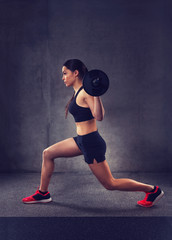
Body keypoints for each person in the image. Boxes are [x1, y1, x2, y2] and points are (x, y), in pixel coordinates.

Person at [22, 59, 164, 207]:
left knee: (110, 184)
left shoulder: (86, 92)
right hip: (81, 140)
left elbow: (99, 116)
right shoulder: (79, 91)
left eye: (65, 73)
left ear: (75, 73)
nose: (63, 77)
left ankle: (152, 190)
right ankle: (43, 193)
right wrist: (93, 90)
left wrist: (96, 93)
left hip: (91, 143)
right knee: (48, 153)